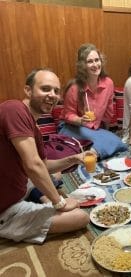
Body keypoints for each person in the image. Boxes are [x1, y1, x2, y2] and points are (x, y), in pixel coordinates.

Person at [0, 68, 90, 244]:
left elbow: (44, 164)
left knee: (52, 176)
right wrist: (59, 202)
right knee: (80, 217)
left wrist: (74, 158)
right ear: (28, 90)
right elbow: (34, 165)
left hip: (18, 188)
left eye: (56, 91)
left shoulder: (34, 127)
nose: (52, 95)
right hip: (6, 209)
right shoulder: (14, 109)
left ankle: (42, 198)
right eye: (45, 89)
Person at [59, 43, 127, 158]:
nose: (95, 64)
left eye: (97, 60)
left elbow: (108, 111)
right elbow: (68, 114)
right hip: (73, 127)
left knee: (119, 142)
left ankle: (89, 152)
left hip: (95, 128)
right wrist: (80, 120)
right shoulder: (74, 87)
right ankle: (90, 155)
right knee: (110, 141)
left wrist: (104, 130)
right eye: (90, 61)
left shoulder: (108, 83)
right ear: (82, 66)